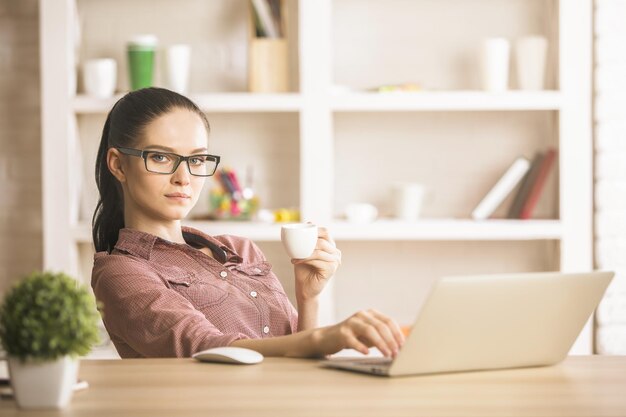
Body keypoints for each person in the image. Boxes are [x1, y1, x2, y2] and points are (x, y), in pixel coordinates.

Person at [91, 87, 405, 358]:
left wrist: (309, 298)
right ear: (118, 164)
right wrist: (327, 337)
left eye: (197, 159)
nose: (183, 178)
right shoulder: (120, 272)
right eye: (160, 157)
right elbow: (205, 348)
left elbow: (294, 358)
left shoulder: (239, 250)